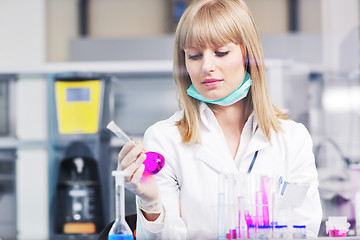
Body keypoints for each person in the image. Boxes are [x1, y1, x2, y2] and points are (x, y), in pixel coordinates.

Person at [117, 0, 322, 239]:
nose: (207, 66)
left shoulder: (292, 138)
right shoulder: (164, 139)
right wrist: (151, 204)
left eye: (221, 52)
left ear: (248, 54)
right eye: (194, 56)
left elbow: (304, 228)